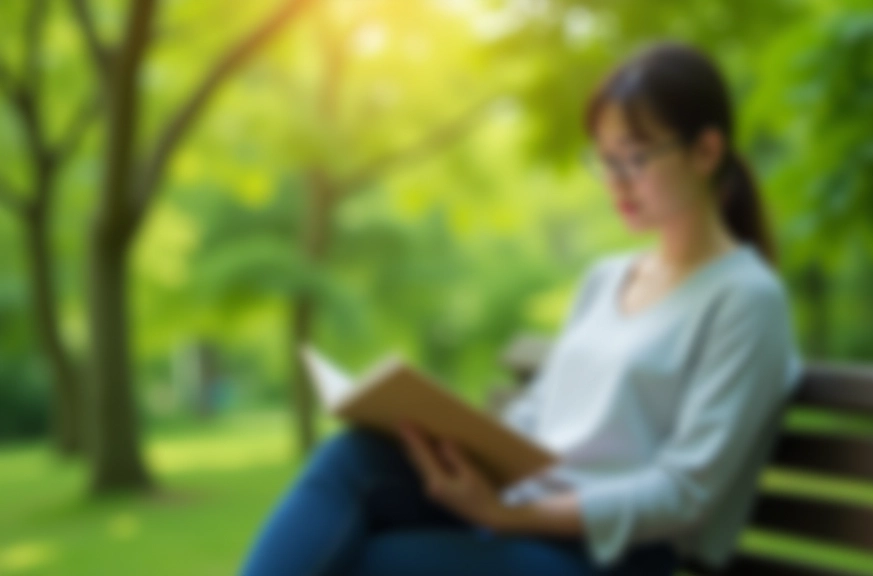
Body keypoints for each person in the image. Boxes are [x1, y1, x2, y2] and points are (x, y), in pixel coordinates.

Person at [239, 39, 803, 576]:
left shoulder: (746, 299)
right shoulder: (605, 277)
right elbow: (541, 412)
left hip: (605, 556)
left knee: (359, 564)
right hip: (520, 513)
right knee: (355, 456)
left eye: (634, 158)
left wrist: (508, 516)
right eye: (604, 161)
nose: (616, 183)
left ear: (706, 150)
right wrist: (461, 451)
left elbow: (686, 493)